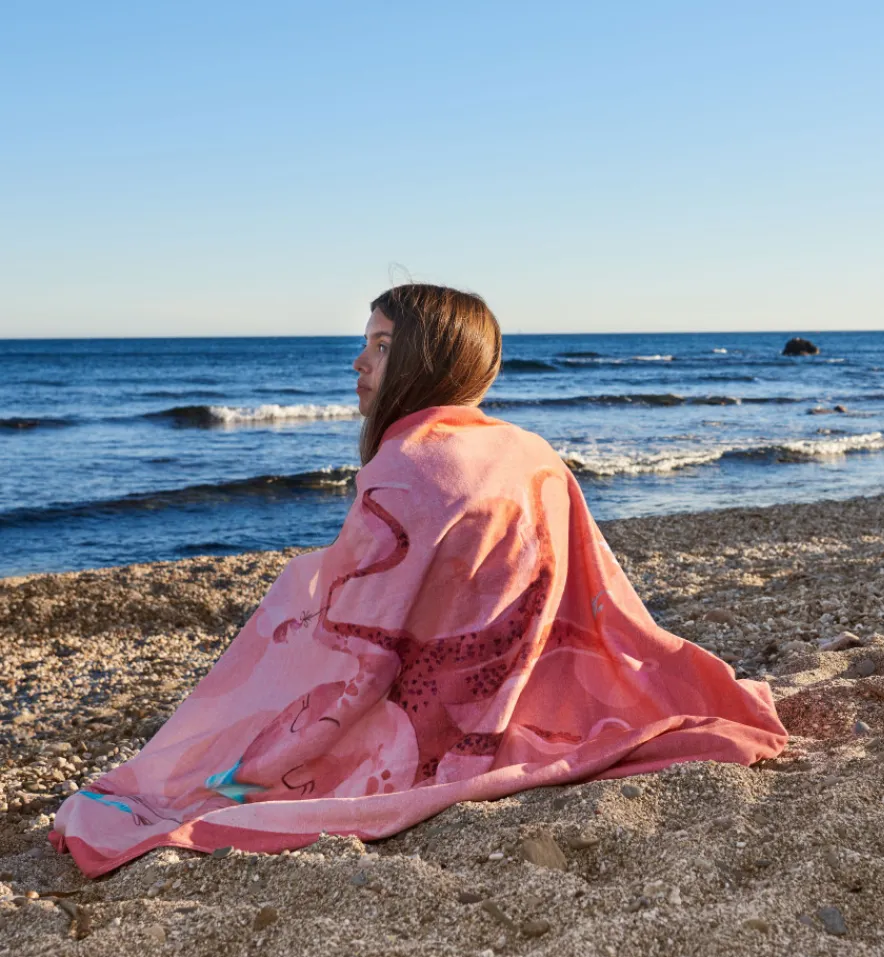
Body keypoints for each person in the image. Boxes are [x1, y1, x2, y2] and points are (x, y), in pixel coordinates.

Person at [51, 283, 786, 878]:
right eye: (363, 344)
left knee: (277, 637)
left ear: (425, 362)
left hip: (430, 712)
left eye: (379, 346)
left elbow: (362, 644)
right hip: (520, 681)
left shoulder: (404, 465)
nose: (359, 364)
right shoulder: (527, 448)